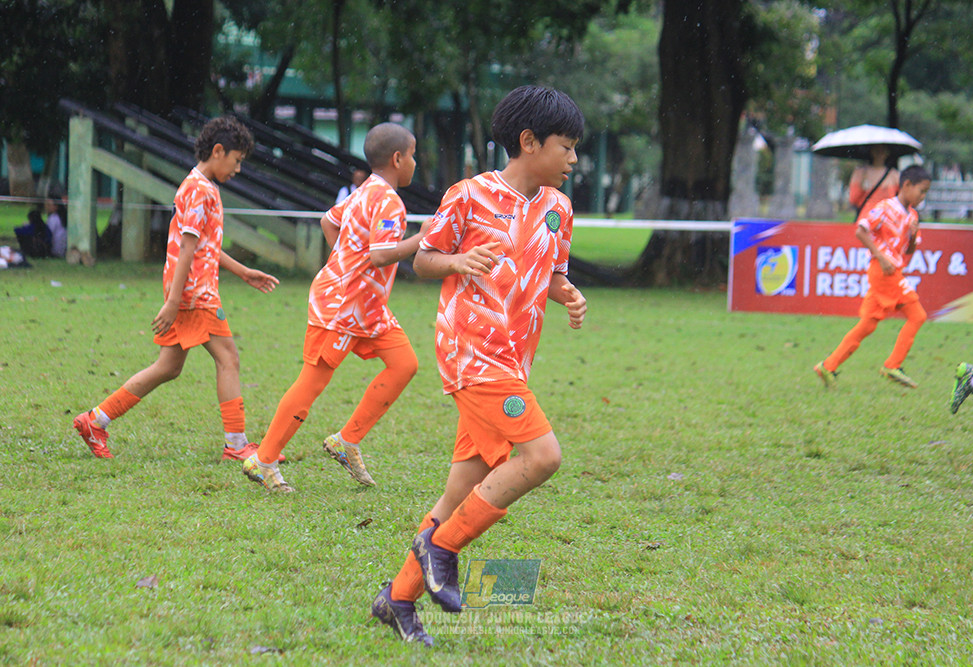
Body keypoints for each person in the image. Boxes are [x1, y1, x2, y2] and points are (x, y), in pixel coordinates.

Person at [370, 86, 588, 646]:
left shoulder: (559, 208)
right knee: (542, 455)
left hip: (514, 361)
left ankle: (396, 599)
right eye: (566, 146)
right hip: (471, 353)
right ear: (528, 141)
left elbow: (552, 272)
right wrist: (459, 259)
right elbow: (422, 259)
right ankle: (441, 548)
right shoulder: (469, 196)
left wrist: (568, 295)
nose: (573, 159)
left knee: (459, 491)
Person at [72, 117, 279, 460]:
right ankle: (237, 445)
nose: (238, 169)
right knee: (228, 358)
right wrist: (172, 302)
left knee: (168, 367)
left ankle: (95, 420)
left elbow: (205, 246)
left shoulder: (201, 186)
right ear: (218, 151)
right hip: (195, 293)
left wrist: (243, 272)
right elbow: (187, 249)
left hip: (187, 290)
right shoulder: (198, 189)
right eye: (237, 160)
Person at [241, 123, 423, 493]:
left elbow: (329, 221)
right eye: (414, 155)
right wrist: (421, 239)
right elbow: (380, 254)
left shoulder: (364, 191)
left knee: (405, 363)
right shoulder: (388, 200)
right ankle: (263, 460)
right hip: (342, 307)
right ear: (398, 158)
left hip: (367, 308)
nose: (416, 163)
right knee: (313, 382)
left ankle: (347, 440)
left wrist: (341, 262)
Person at [814, 165, 933, 389]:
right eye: (922, 191)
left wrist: (914, 234)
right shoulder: (885, 207)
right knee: (917, 315)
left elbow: (908, 252)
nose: (923, 197)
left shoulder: (913, 216)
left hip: (892, 270)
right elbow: (861, 230)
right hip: (883, 271)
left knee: (867, 325)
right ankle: (893, 365)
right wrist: (880, 256)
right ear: (906, 185)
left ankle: (828, 366)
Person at [848, 144, 899, 222]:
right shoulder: (861, 173)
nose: (880, 153)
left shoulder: (895, 175)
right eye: (877, 150)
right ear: (871, 151)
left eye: (883, 150)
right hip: (866, 221)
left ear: (888, 152)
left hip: (887, 221)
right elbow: (853, 199)